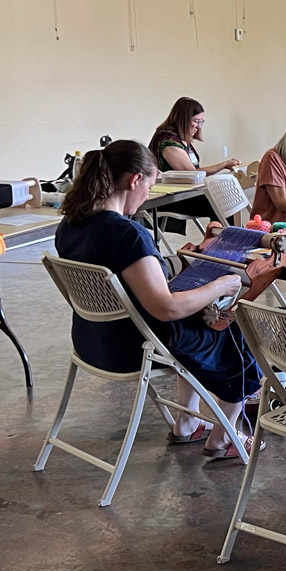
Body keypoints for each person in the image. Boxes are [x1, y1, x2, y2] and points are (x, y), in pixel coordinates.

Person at [55, 140, 261, 463]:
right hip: (133, 347)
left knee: (196, 320)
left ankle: (188, 422)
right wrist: (221, 285)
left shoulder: (70, 226)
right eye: (149, 187)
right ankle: (225, 435)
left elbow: (134, 282)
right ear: (135, 180)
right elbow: (166, 308)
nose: (147, 196)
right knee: (234, 332)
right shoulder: (128, 235)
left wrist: (179, 269)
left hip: (92, 341)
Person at [147, 97, 241, 228]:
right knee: (222, 202)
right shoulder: (167, 141)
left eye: (201, 121)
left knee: (227, 199)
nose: (199, 126)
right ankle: (226, 238)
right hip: (168, 199)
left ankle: (230, 235)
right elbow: (192, 173)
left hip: (186, 193)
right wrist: (224, 164)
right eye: (196, 121)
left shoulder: (181, 139)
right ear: (183, 120)